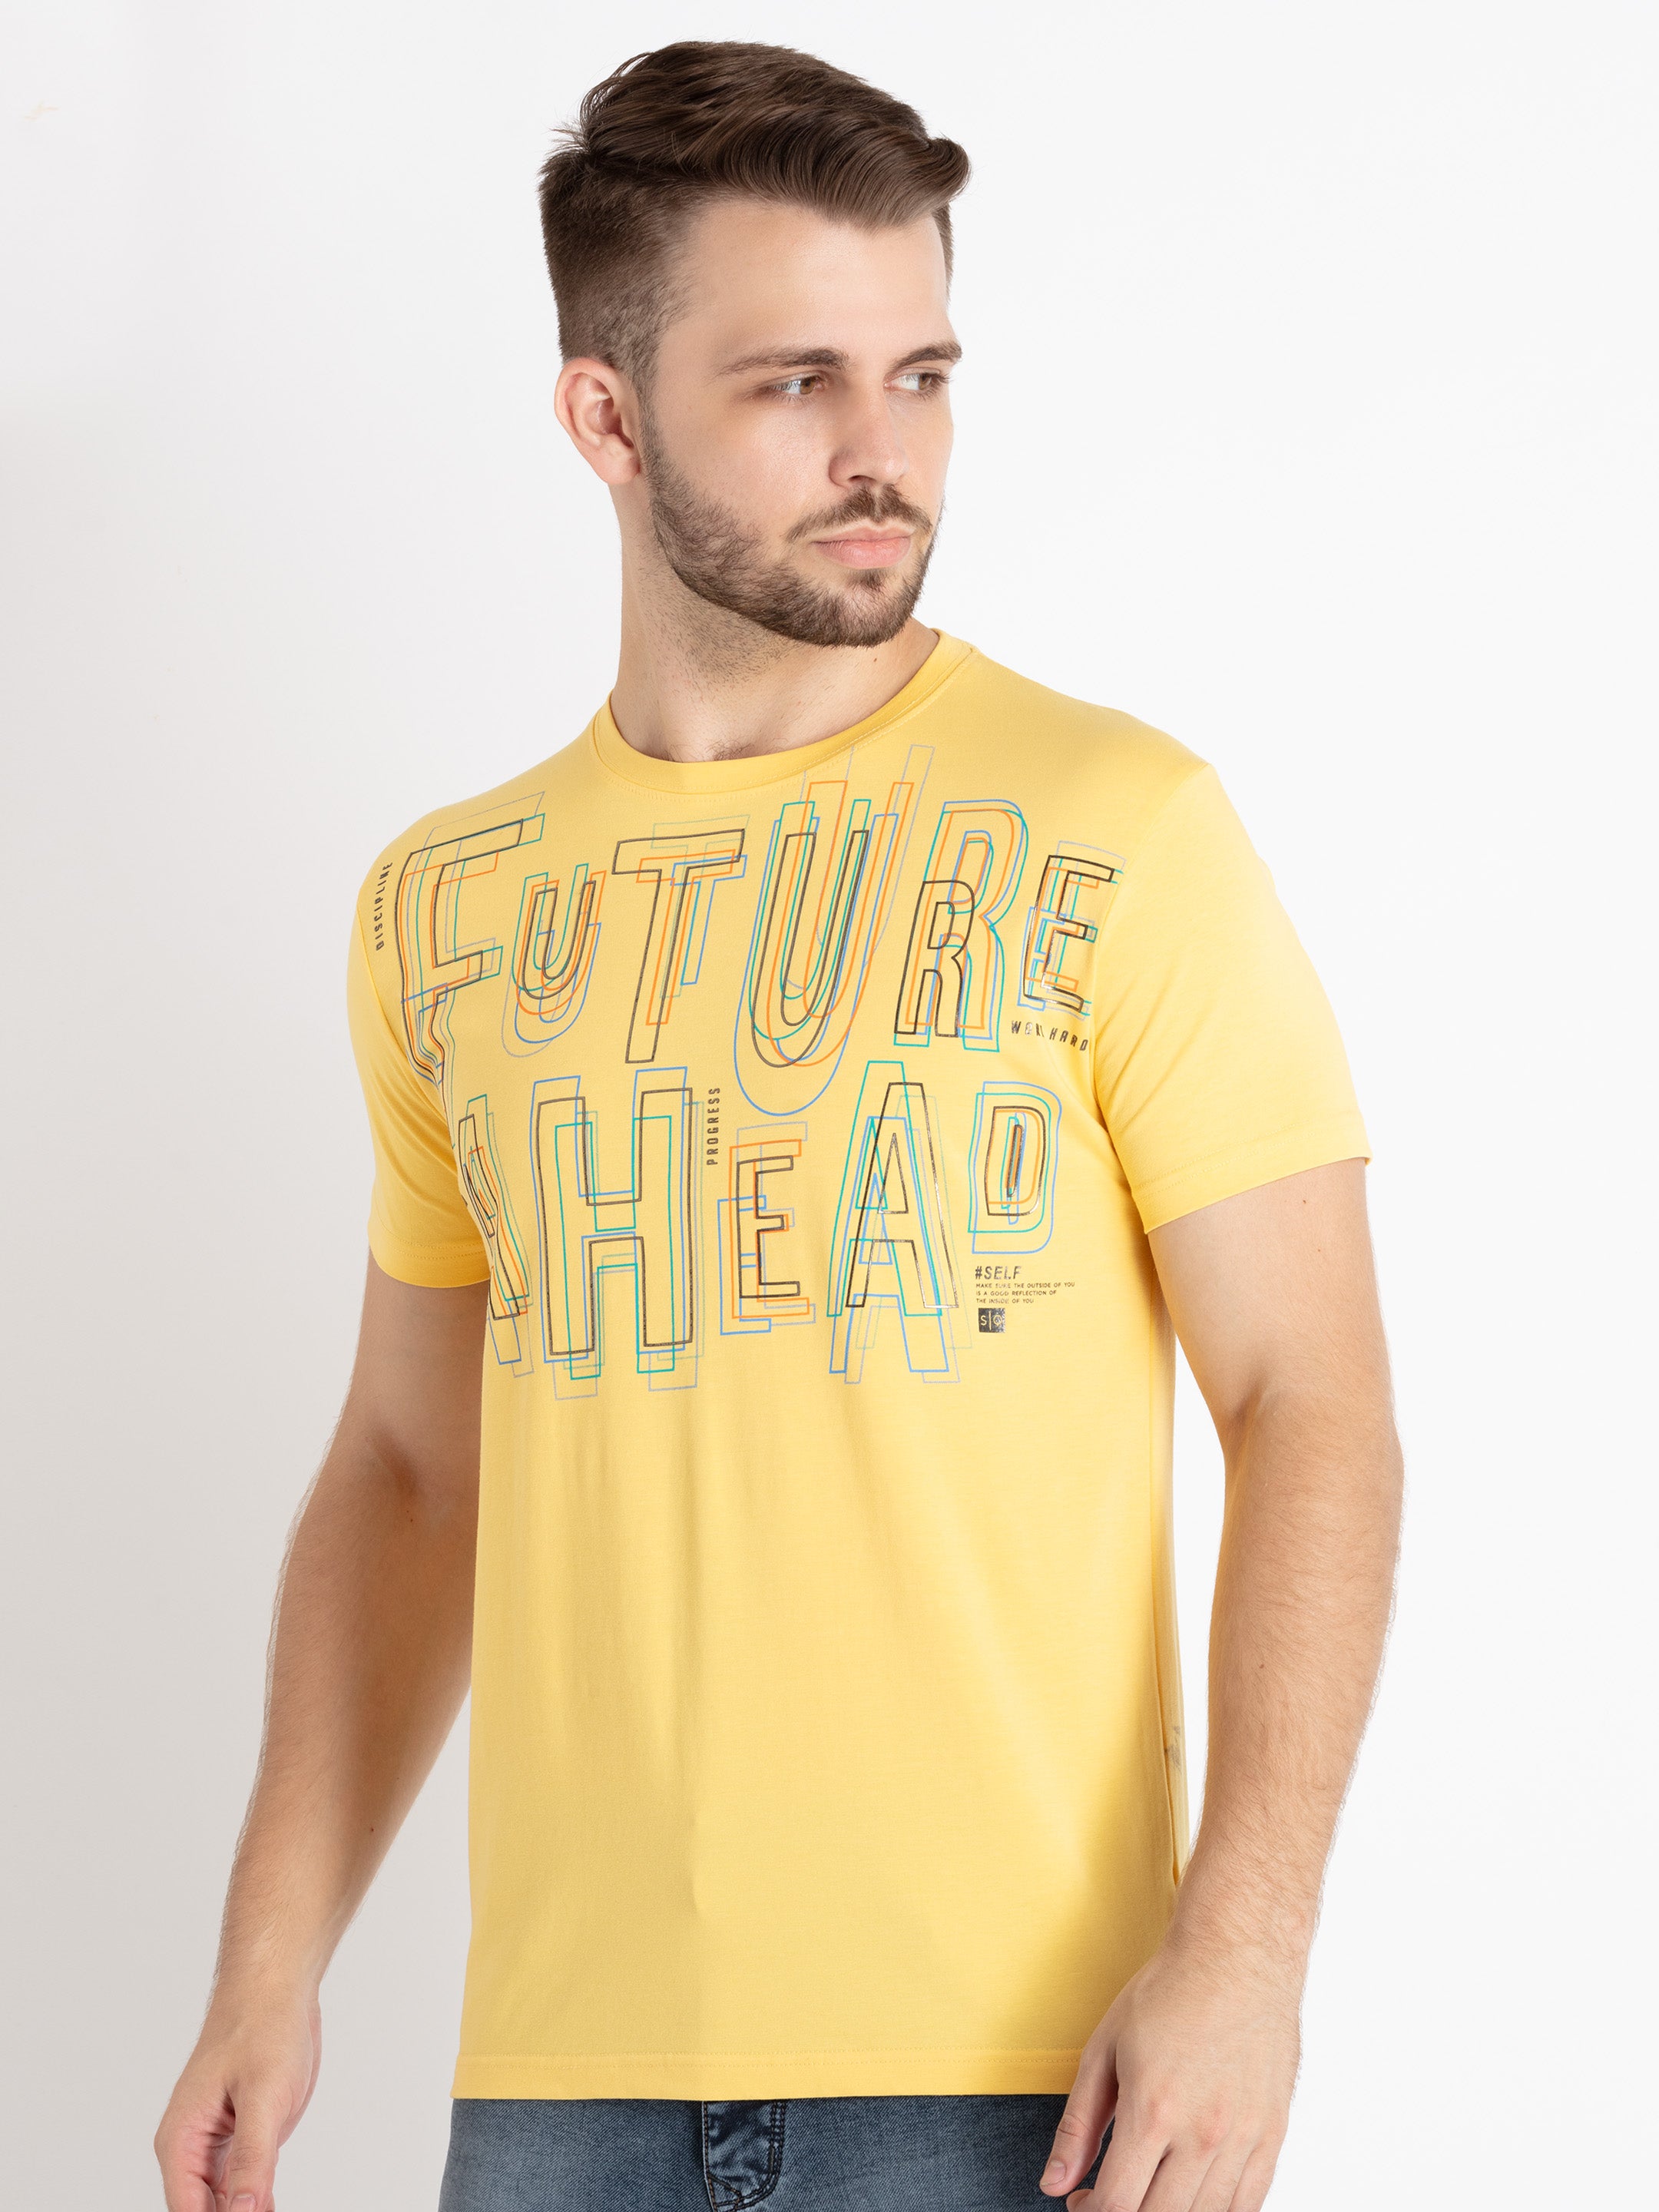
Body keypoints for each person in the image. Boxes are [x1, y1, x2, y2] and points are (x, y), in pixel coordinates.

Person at [154, 39, 1402, 2212]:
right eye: (796, 383)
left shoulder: (1118, 826)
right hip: (558, 2093)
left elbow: (1313, 1402)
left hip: (1026, 2087)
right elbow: (410, 1468)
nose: (880, 453)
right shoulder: (447, 907)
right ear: (606, 418)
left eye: (920, 376)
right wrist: (269, 1964)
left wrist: (1249, 1950)